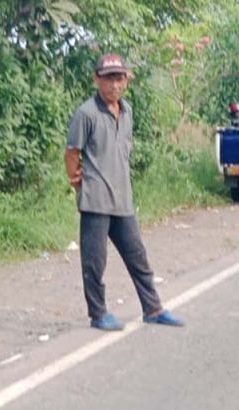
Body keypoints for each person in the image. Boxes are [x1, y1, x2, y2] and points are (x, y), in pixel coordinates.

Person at [65, 54, 184, 331]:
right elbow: (72, 152)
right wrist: (76, 182)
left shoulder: (127, 111)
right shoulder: (86, 113)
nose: (114, 85)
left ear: (126, 81)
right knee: (94, 263)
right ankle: (98, 314)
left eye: (119, 79)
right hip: (96, 199)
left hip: (123, 198)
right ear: (97, 80)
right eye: (108, 79)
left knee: (138, 257)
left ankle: (152, 309)